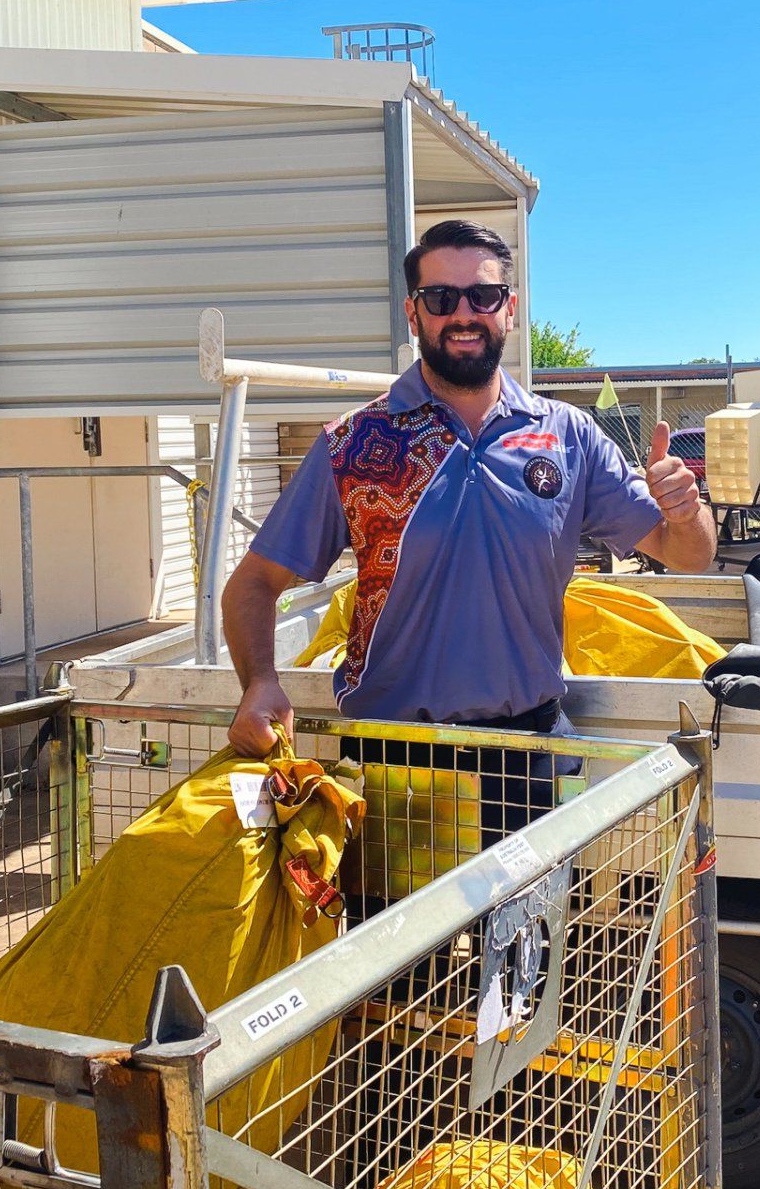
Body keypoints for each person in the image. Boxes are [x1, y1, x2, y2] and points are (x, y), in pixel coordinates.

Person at [222, 218, 716, 831]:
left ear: (508, 309)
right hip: (394, 757)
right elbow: (251, 584)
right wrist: (260, 682)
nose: (463, 313)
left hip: (528, 753)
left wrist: (687, 512)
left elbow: (688, 554)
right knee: (396, 932)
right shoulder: (353, 444)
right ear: (413, 313)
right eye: (440, 298)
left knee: (524, 932)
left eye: (482, 296)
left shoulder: (568, 436)